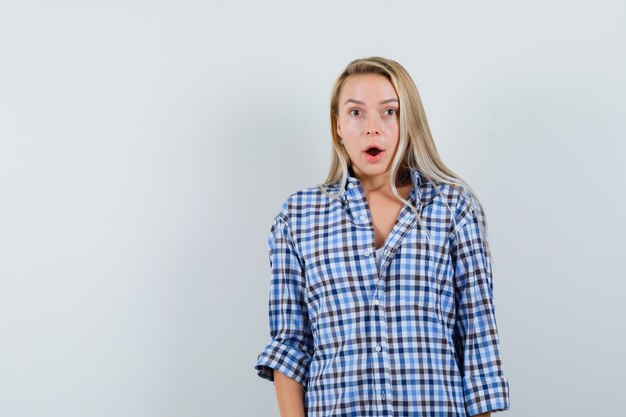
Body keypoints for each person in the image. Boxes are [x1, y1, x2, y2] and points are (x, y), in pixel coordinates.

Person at [254, 57, 510, 417]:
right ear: (337, 125)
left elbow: (477, 342)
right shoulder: (298, 216)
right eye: (356, 113)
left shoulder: (453, 208)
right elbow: (291, 345)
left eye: (389, 112)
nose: (372, 128)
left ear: (410, 121)